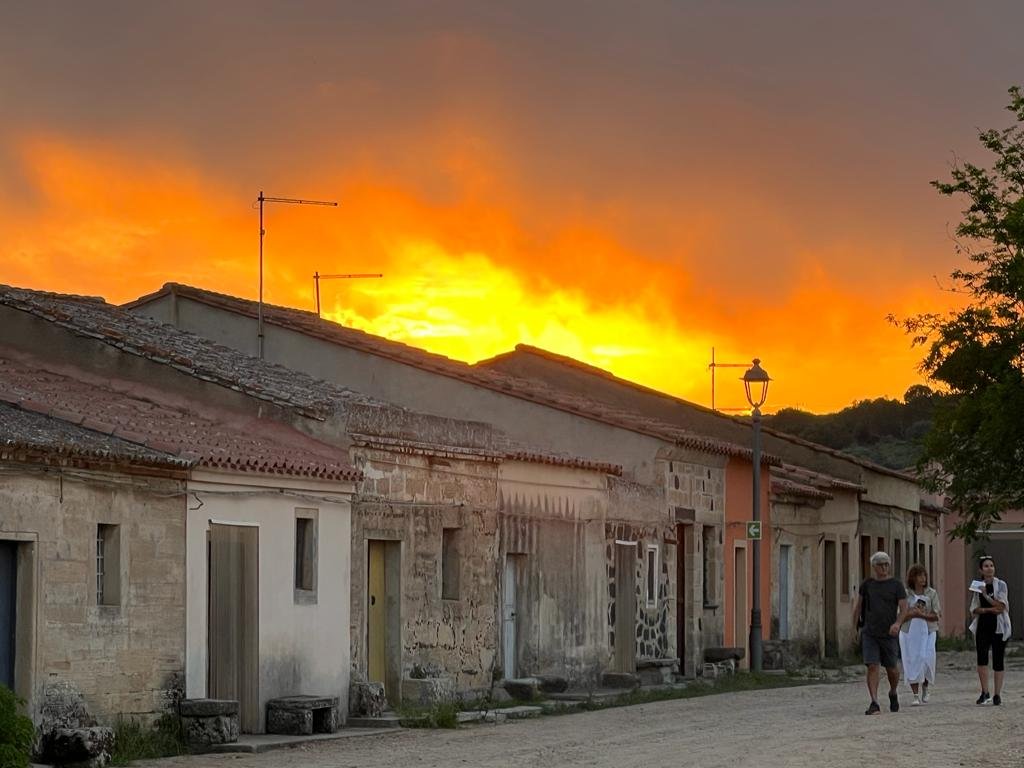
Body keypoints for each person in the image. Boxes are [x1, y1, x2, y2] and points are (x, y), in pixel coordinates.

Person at [852, 551, 908, 715]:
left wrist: (898, 623)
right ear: (874, 566)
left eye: (886, 564)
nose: (884, 567)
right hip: (870, 631)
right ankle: (874, 702)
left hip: (889, 633)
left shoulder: (896, 585)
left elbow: (904, 608)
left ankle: (893, 691)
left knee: (892, 668)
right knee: (872, 665)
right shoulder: (867, 584)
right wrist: (854, 628)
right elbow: (858, 607)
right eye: (881, 564)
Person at [969, 555, 1012, 705]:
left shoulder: (1001, 585)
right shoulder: (977, 586)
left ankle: (997, 694)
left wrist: (986, 596)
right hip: (982, 626)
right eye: (986, 566)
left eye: (991, 566)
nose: (989, 568)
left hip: (999, 626)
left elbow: (1000, 607)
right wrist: (987, 610)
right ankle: (984, 691)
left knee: (998, 660)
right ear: (981, 569)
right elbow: (974, 609)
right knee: (982, 658)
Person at [899, 564, 941, 705]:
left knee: (926, 657)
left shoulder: (931, 593)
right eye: (920, 575)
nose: (923, 579)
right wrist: (911, 613)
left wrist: (923, 615)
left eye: (924, 575)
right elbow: (900, 616)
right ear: (913, 577)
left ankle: (926, 685)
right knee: (912, 660)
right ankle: (915, 694)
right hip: (909, 631)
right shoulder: (906, 594)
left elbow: (936, 614)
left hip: (928, 630)